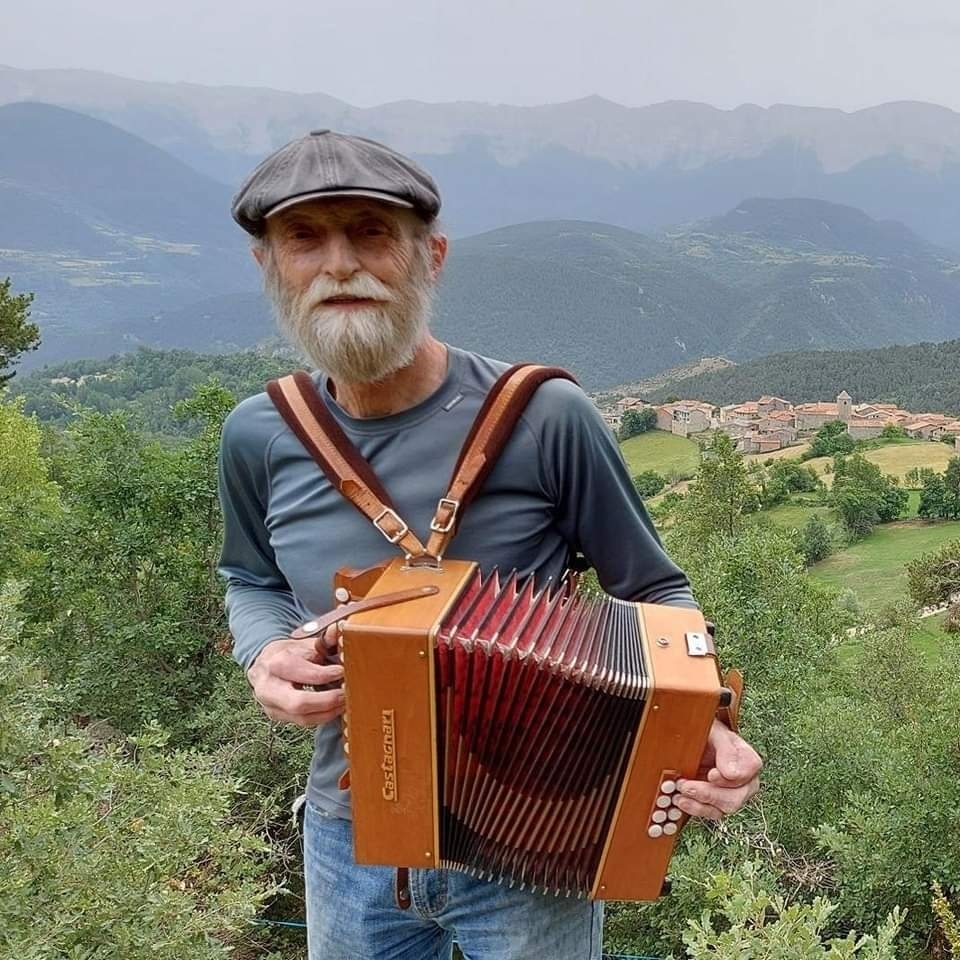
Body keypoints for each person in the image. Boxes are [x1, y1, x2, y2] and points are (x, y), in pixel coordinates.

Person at [219, 129, 762, 960]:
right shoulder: (259, 434)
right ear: (268, 267)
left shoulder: (543, 417)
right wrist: (262, 656)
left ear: (430, 256)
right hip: (346, 834)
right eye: (304, 238)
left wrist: (701, 722)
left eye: (370, 231)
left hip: (535, 833)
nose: (338, 263)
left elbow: (655, 592)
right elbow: (248, 577)